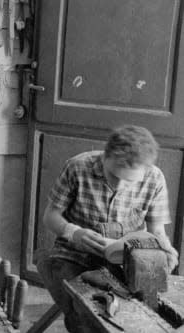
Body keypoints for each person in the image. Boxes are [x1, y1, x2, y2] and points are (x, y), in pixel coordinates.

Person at [38, 125, 178, 333]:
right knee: (85, 314)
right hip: (72, 254)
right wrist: (73, 232)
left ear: (145, 170)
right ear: (105, 156)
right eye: (114, 176)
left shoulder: (154, 178)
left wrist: (167, 251)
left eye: (129, 181)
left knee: (145, 308)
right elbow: (50, 216)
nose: (120, 186)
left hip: (124, 260)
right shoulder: (78, 167)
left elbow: (157, 230)